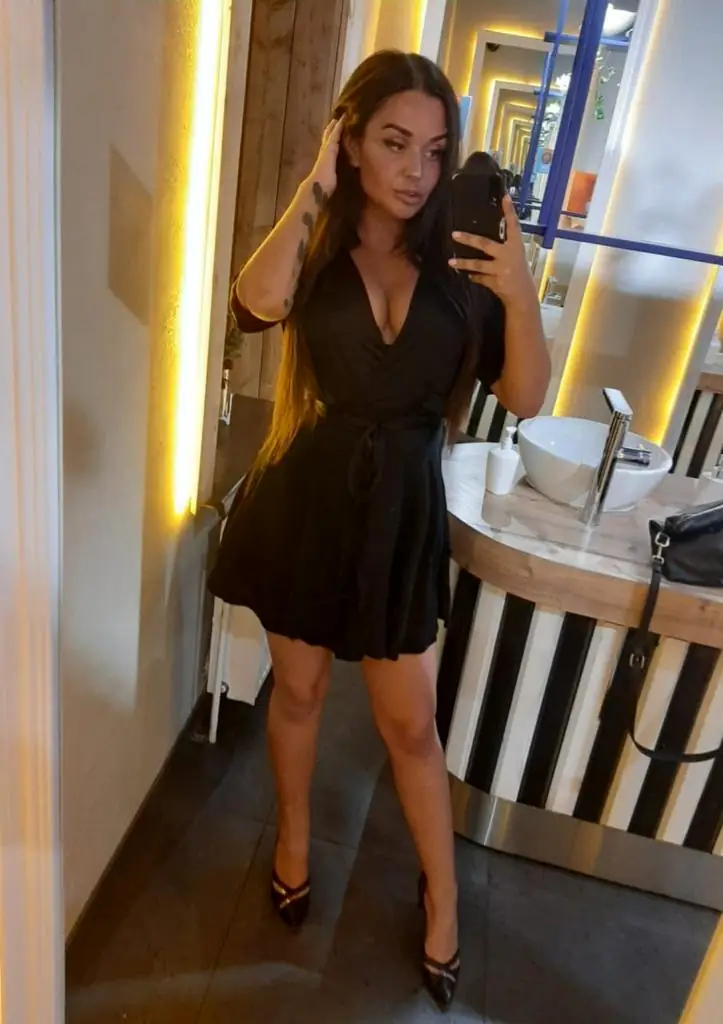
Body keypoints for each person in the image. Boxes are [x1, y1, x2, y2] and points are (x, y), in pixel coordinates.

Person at [208, 51, 549, 1011]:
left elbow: (525, 396)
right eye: (393, 143)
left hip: (402, 515)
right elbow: (254, 304)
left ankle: (443, 895)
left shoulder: (462, 261)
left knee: (408, 725)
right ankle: (290, 840)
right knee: (300, 692)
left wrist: (519, 290)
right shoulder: (316, 239)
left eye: (434, 151)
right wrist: (312, 186)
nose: (415, 170)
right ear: (350, 140)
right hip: (305, 500)